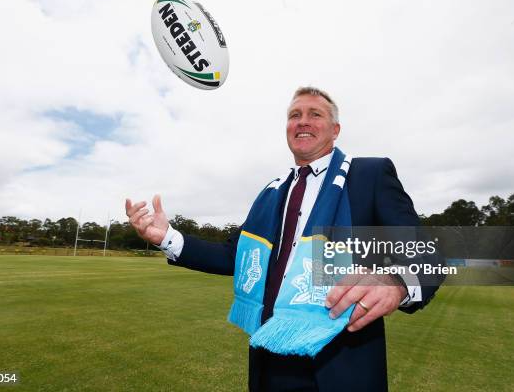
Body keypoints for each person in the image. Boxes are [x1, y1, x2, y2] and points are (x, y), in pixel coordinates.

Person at [125, 87, 442, 391]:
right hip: (269, 357)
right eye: (294, 115)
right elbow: (232, 256)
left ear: (335, 130)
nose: (302, 121)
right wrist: (167, 237)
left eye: (314, 114)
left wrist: (397, 281)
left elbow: (428, 253)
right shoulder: (272, 193)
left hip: (340, 363)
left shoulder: (368, 176)